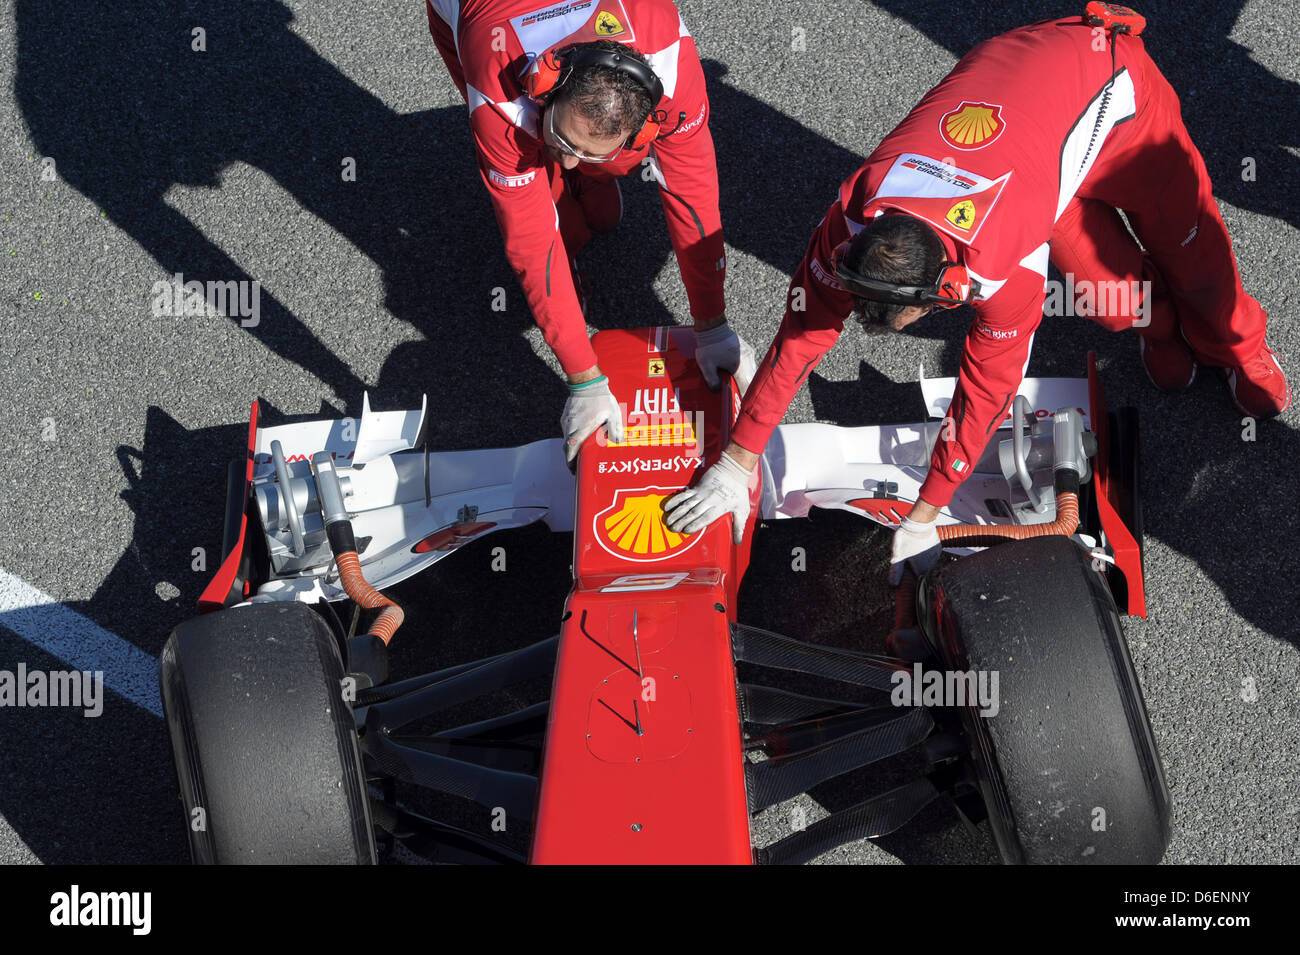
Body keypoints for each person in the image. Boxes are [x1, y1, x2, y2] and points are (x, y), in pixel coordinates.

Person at [663, 9, 1290, 582]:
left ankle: (1237, 344)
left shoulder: (1002, 264)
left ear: (944, 291)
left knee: (1193, 252)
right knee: (1117, 308)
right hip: (1031, 139)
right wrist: (735, 464)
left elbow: (985, 392)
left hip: (1113, 97)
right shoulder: (848, 230)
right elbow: (799, 339)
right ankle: (1160, 331)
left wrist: (926, 511)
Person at [425, 0, 753, 462]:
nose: (572, 157)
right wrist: (582, 376)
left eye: (586, 152)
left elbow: (692, 195)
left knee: (585, 171)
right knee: (537, 177)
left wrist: (712, 322)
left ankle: (589, 167)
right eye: (564, 141)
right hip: (478, 17)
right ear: (545, 88)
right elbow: (530, 240)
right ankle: (569, 198)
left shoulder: (672, 63)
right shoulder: (498, 89)